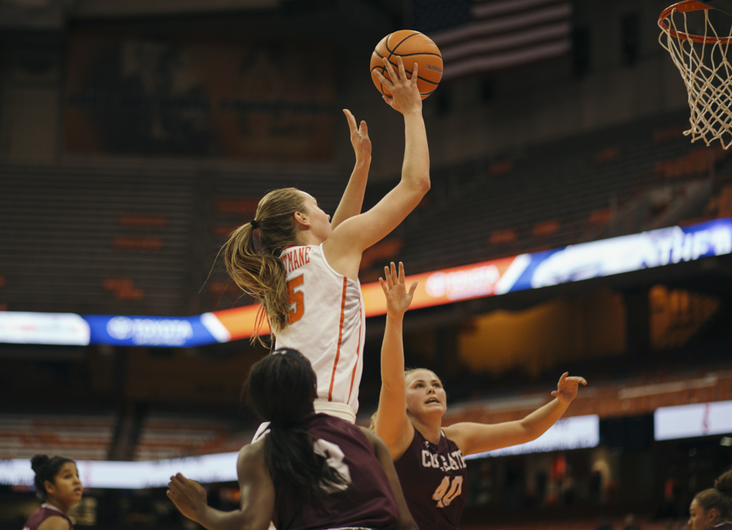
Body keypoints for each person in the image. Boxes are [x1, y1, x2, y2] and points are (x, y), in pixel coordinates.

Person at [222, 55, 430, 422]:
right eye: (316, 206)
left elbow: (338, 232)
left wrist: (362, 165)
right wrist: (412, 110)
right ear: (300, 218)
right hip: (324, 422)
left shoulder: (277, 275)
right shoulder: (333, 252)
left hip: (279, 424)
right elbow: (416, 185)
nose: (326, 213)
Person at [373, 262, 587, 530]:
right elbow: (391, 383)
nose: (431, 389)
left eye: (436, 384)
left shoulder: (457, 437)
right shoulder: (396, 436)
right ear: (402, 404)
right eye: (418, 386)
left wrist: (562, 402)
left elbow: (526, 428)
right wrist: (394, 318)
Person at [167, 348, 418, 530]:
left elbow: (252, 524)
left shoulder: (258, 453)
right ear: (312, 389)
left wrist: (201, 512)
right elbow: (405, 523)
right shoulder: (366, 438)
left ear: (258, 402)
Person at [23, 454, 83, 530]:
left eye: (77, 476)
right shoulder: (57, 522)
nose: (77, 481)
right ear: (49, 487)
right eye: (67, 476)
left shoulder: (40, 512)